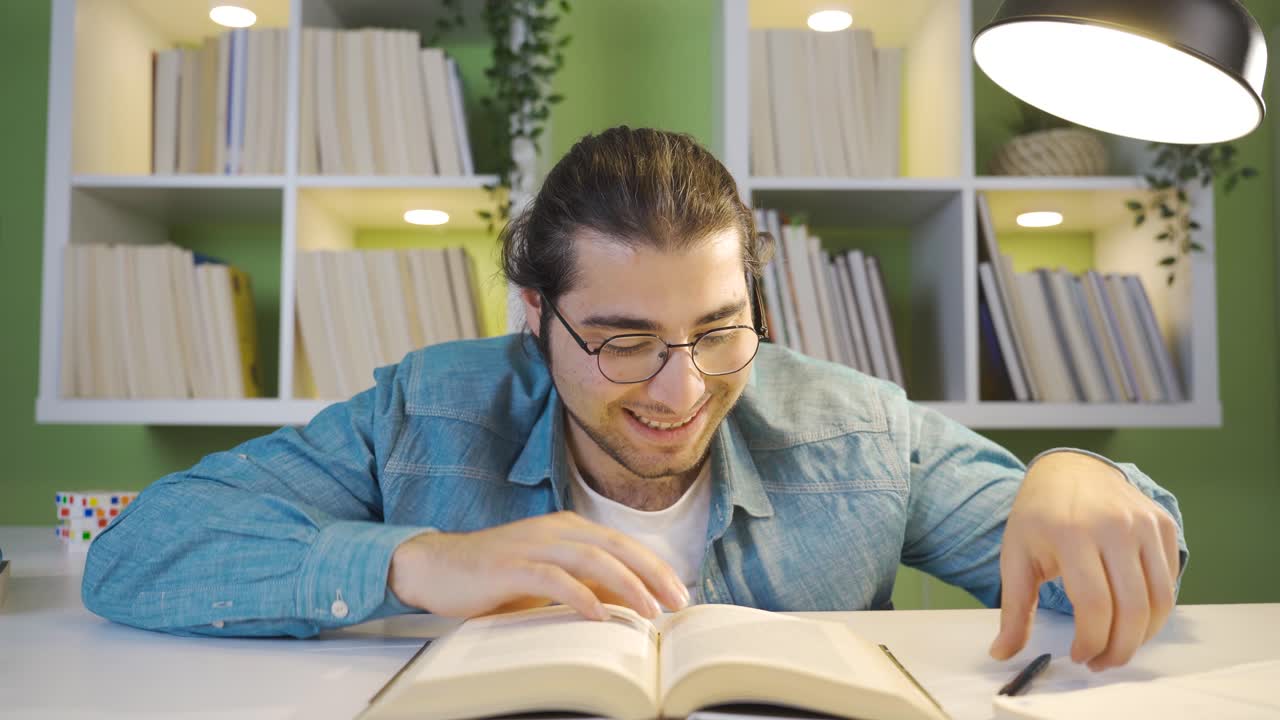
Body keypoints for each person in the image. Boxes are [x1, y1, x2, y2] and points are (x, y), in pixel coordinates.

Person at [83, 126, 1186, 672]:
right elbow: (139, 551)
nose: (682, 389)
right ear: (536, 312)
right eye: (622, 343)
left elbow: (1107, 571)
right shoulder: (424, 413)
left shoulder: (855, 428)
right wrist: (418, 562)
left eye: (718, 330)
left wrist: (1080, 479)